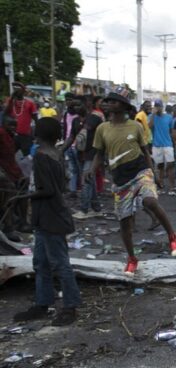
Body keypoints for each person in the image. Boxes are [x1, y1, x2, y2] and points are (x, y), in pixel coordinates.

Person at [91, 89, 176, 275]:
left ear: (124, 106)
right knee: (125, 223)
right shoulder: (102, 129)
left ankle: (173, 237)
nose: (108, 103)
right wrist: (92, 170)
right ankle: (132, 259)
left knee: (149, 201)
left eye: (113, 101)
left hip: (141, 171)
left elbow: (145, 151)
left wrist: (154, 174)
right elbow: (99, 155)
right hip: (120, 179)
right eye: (108, 101)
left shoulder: (135, 126)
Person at [11, 117, 80, 326]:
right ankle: (43, 303)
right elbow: (59, 185)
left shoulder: (41, 156)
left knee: (58, 263)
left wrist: (22, 197)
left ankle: (70, 306)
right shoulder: (56, 154)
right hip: (49, 216)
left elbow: (48, 190)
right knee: (41, 263)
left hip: (50, 216)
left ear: (37, 134)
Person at [72, 98, 104, 219]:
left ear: (87, 104)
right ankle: (96, 208)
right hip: (81, 154)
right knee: (90, 181)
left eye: (78, 104)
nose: (75, 107)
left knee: (86, 181)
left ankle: (84, 210)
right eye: (75, 105)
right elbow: (72, 137)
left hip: (93, 154)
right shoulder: (76, 120)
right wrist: (61, 150)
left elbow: (87, 130)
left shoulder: (94, 118)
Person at [0, 116, 24, 240]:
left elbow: (11, 160)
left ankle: (22, 221)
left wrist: (20, 175)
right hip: (3, 173)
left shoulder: (11, 137)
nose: (13, 128)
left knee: (23, 186)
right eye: (11, 125)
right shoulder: (1, 134)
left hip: (9, 170)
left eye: (15, 125)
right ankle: (8, 227)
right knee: (10, 192)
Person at [148, 99, 176, 194]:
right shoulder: (151, 117)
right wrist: (153, 114)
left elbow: (172, 131)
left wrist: (174, 144)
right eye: (156, 106)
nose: (158, 107)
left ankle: (172, 188)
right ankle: (161, 187)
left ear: (162, 107)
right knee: (160, 166)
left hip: (168, 144)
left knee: (170, 166)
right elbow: (149, 126)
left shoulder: (169, 117)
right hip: (157, 145)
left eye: (159, 106)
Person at [3, 82, 38, 155]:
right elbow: (5, 113)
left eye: (18, 89)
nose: (16, 90)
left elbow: (36, 119)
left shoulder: (30, 103)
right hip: (12, 135)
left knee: (27, 156)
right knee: (9, 155)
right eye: (14, 89)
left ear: (23, 91)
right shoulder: (10, 102)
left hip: (25, 136)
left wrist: (37, 135)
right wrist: (12, 98)